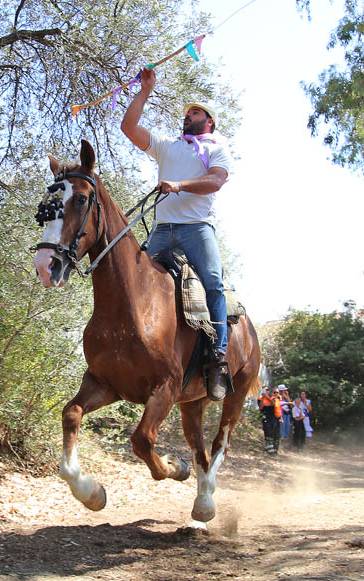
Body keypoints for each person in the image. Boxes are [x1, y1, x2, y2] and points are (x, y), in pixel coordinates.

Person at [121, 66, 231, 401]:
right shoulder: (169, 147)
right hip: (163, 230)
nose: (188, 116)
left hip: (197, 229)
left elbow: (215, 181)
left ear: (208, 121)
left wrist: (179, 184)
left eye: (195, 112)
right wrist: (145, 91)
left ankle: (217, 357)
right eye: (186, 113)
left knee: (213, 283)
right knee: (134, 279)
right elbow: (128, 128)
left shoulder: (216, 147)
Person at [258, 386, 282, 455]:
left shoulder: (273, 398)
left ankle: (275, 449)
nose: (266, 391)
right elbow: (261, 407)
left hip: (274, 419)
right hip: (266, 419)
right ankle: (270, 450)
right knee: (268, 433)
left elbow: (273, 403)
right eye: (265, 390)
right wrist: (263, 397)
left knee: (275, 434)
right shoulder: (260, 399)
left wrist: (267, 397)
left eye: (267, 390)